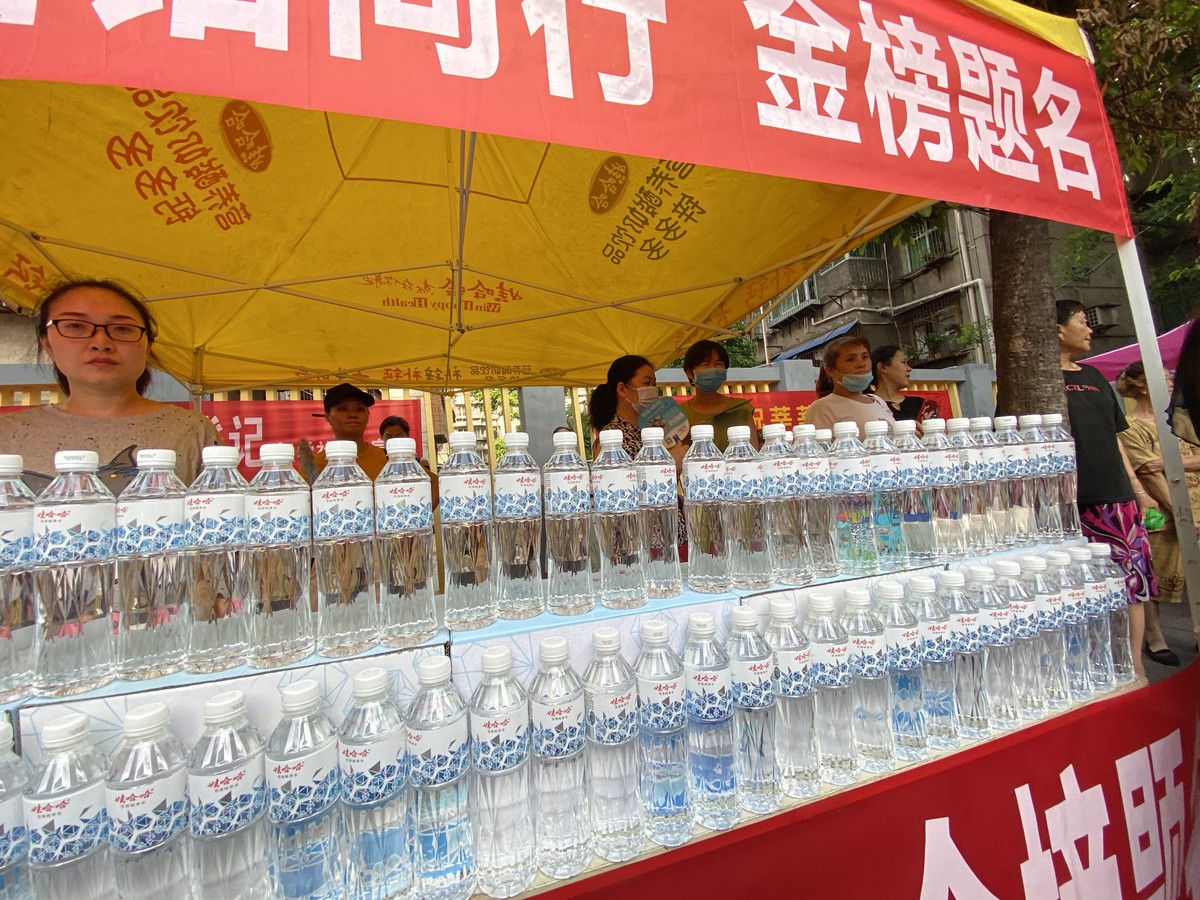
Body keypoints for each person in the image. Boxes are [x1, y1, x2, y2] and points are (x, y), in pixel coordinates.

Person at [0, 278, 218, 492]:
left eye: (122, 328)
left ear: (148, 346)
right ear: (47, 342)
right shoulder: (7, 433)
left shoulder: (193, 430)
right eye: (76, 326)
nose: (101, 342)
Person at [1057, 299, 1157, 677]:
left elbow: (1116, 438)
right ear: (1058, 330)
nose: (1090, 329)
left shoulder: (1095, 375)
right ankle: (1094, 667)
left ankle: (1134, 666)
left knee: (1132, 580)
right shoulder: (1038, 380)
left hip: (1116, 498)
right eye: (1083, 322)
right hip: (1070, 502)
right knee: (1086, 587)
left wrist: (1137, 489)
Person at [1117, 362, 1200, 664]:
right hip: (1163, 511)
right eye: (1164, 377)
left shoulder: (1180, 419)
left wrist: (1166, 462)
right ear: (1141, 384)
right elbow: (1147, 472)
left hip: (1197, 501)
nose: (1170, 381)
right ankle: (1155, 637)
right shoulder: (1130, 427)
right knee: (1156, 575)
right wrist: (1183, 513)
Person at [588, 354, 686, 546]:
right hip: (637, 545)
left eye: (654, 384)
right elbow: (615, 496)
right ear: (622, 389)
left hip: (671, 538)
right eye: (646, 383)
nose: (653, 390)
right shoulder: (611, 439)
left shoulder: (655, 431)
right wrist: (667, 465)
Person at [803, 335, 895, 437]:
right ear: (830, 370)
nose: (861, 364)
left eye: (865, 357)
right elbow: (820, 445)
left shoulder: (878, 401)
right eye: (851, 359)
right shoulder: (822, 408)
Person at [678, 339, 760, 451]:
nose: (713, 369)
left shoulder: (741, 408)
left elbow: (753, 454)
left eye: (719, 364)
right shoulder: (679, 415)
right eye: (705, 364)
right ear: (689, 373)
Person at [301, 383, 388, 481]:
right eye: (343, 409)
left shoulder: (385, 457)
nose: (353, 414)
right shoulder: (315, 466)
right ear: (327, 416)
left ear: (368, 415)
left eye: (360, 409)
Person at [378, 414, 439, 505]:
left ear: (407, 436)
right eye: (389, 437)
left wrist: (427, 509)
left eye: (399, 436)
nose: (394, 440)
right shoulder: (378, 458)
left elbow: (436, 483)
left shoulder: (418, 463)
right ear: (382, 437)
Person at [869, 345, 938, 425]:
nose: (909, 368)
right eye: (903, 362)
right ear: (882, 367)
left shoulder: (920, 405)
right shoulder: (870, 406)